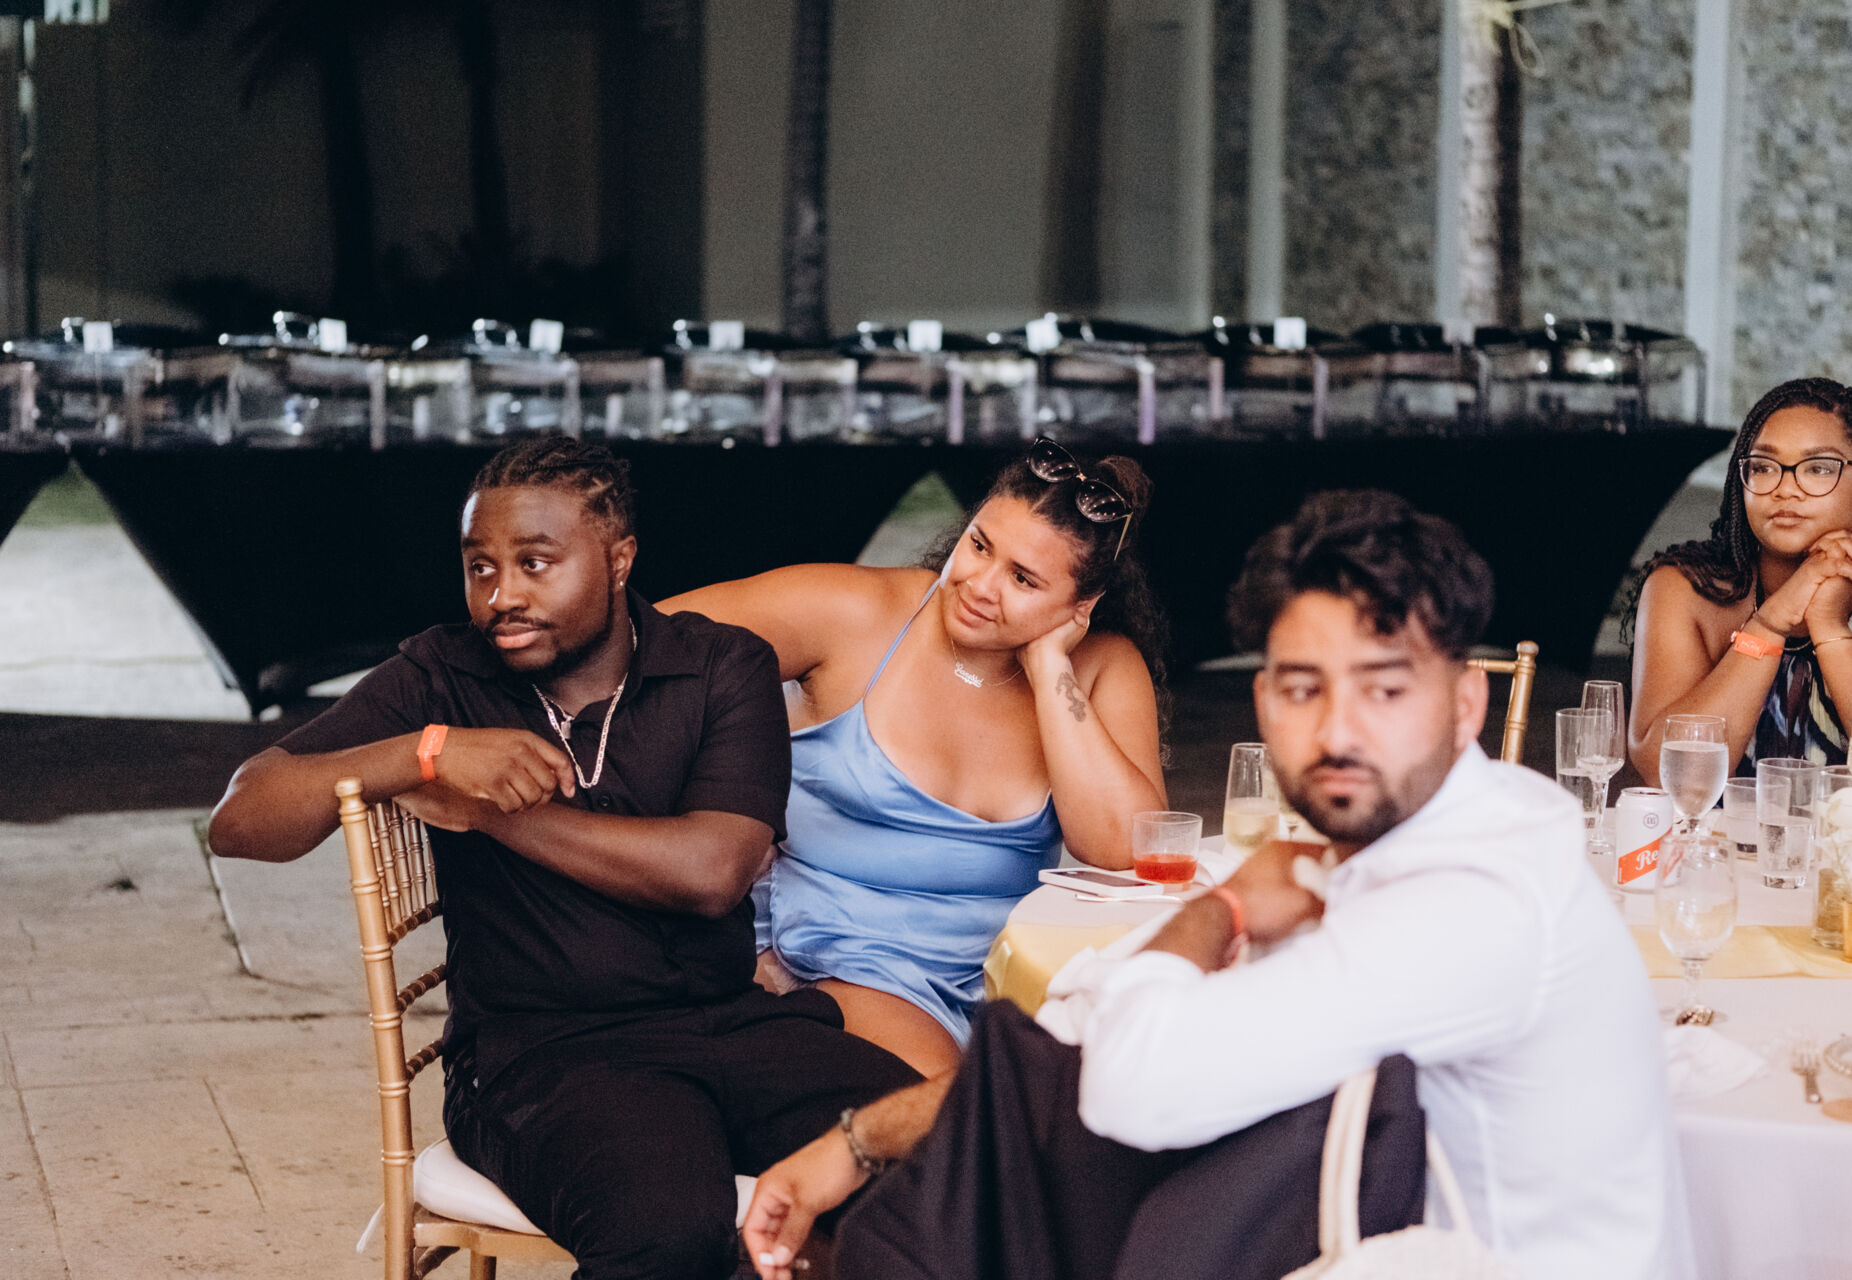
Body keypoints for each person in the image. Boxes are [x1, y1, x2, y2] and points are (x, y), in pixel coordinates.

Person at [742, 489, 1693, 1280]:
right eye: (1302, 687)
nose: (1338, 731)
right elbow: (1074, 1028)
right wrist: (856, 1144)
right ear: (1262, 701)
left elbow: (1131, 1086)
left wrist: (1216, 911)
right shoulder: (1388, 842)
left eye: (1385, 688)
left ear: (1466, 702)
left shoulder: (1476, 895)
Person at [205, 437, 920, 1280]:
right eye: (480, 568)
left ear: (619, 560)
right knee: (668, 1228)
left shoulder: (722, 666)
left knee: (958, 1155)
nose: (501, 595)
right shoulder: (443, 676)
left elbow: (711, 873)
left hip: (732, 1025)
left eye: (535, 564)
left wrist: (498, 817)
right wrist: (424, 753)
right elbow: (241, 819)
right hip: (541, 1057)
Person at [659, 438, 1168, 1076]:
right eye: (979, 545)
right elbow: (646, 652)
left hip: (995, 978)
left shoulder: (1101, 668)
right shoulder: (856, 612)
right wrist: (715, 807)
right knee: (943, 1118)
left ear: (1081, 607)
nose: (979, 585)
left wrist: (1048, 666)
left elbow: (1125, 847)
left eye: (1023, 579)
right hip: (828, 958)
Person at [1631, 377, 1852, 778]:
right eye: (1764, 467)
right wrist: (1770, 622)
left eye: (1818, 468)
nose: (1785, 489)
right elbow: (1668, 776)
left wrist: (1829, 625)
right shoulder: (1686, 588)